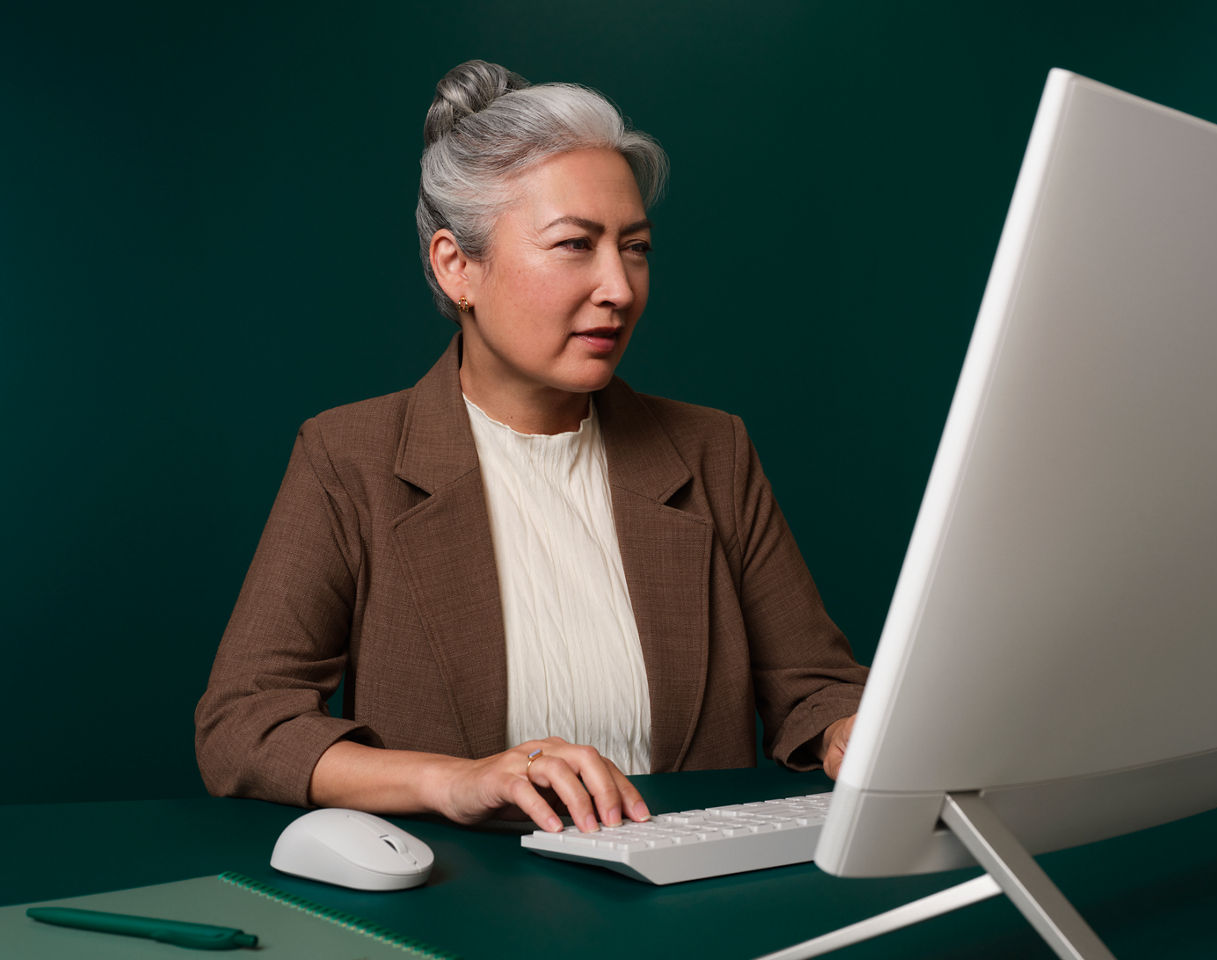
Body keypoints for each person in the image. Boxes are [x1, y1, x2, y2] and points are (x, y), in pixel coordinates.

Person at [195, 60, 868, 837]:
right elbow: (242, 726)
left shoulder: (712, 449)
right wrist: (454, 781)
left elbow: (815, 687)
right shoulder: (348, 459)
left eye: (636, 247)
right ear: (458, 267)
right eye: (575, 245)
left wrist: (848, 729)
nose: (619, 287)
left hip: (687, 896)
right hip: (460, 906)